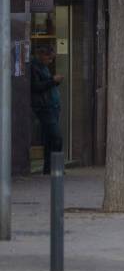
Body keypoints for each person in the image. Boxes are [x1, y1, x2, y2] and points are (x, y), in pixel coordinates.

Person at [29, 46, 63, 175]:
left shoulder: (43, 67)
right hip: (44, 107)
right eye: (49, 58)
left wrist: (54, 82)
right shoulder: (34, 67)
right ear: (42, 55)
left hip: (51, 106)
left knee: (50, 139)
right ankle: (56, 168)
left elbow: (46, 84)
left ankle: (49, 169)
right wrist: (53, 81)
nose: (51, 61)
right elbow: (36, 86)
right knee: (57, 137)